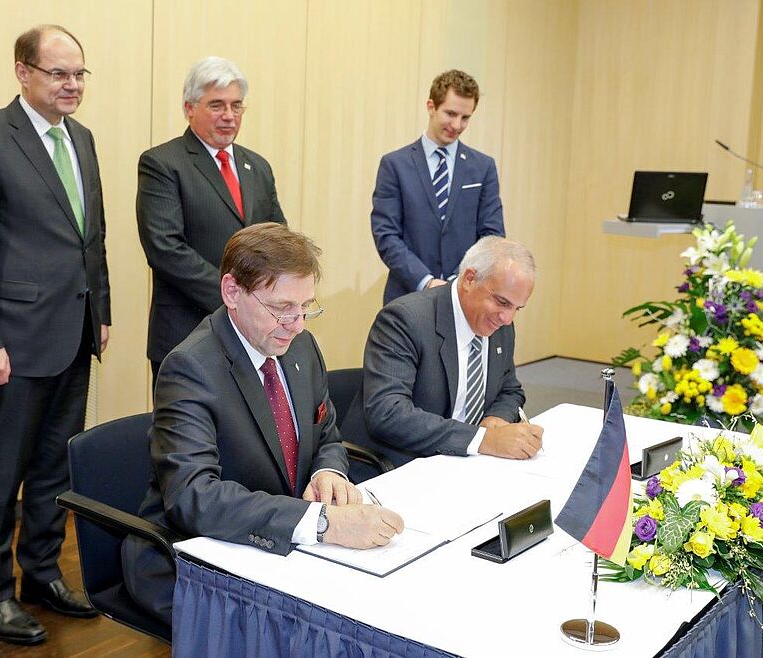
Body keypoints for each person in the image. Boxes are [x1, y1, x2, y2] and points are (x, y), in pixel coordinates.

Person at [122, 223, 404, 624]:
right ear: (232, 292)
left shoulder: (300, 346)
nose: (298, 323)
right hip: (194, 558)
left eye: (306, 306)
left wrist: (328, 471)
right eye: (282, 308)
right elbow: (193, 496)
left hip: (280, 544)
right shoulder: (190, 369)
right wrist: (321, 524)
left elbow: (326, 434)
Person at [0, 25, 109, 645]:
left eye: (79, 74)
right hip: (11, 343)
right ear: (23, 72)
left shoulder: (82, 139)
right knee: (2, 471)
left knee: (52, 469)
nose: (71, 85)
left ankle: (40, 575)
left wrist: (103, 310)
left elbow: (91, 235)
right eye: (58, 73)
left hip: (74, 332)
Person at [137, 56, 286, 380]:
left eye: (236, 106)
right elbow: (165, 248)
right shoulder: (163, 163)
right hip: (187, 334)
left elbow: (278, 240)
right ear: (189, 108)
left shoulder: (257, 167)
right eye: (217, 105)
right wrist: (236, 297)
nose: (229, 116)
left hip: (254, 336)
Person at [363, 237, 542, 467]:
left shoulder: (500, 325)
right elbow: (388, 412)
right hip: (406, 463)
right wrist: (483, 439)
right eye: (501, 302)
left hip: (466, 463)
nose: (507, 318)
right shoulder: (405, 320)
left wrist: (495, 421)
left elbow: (510, 389)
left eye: (517, 308)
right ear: (469, 279)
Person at [371, 69, 505, 305]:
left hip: (465, 296)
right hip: (407, 296)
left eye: (465, 117)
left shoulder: (483, 168)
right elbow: (386, 234)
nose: (457, 125)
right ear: (431, 106)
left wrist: (459, 280)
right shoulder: (395, 165)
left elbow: (492, 236)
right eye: (450, 113)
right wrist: (426, 281)